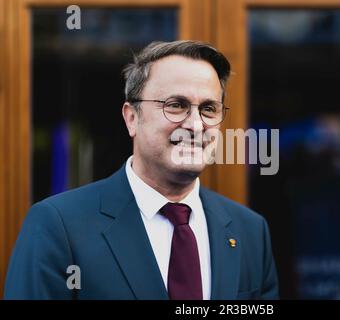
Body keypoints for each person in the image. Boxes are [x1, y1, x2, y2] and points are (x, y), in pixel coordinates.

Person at [4, 40, 279, 300]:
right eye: (176, 105)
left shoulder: (250, 231)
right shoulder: (59, 225)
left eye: (208, 109)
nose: (196, 125)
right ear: (132, 118)